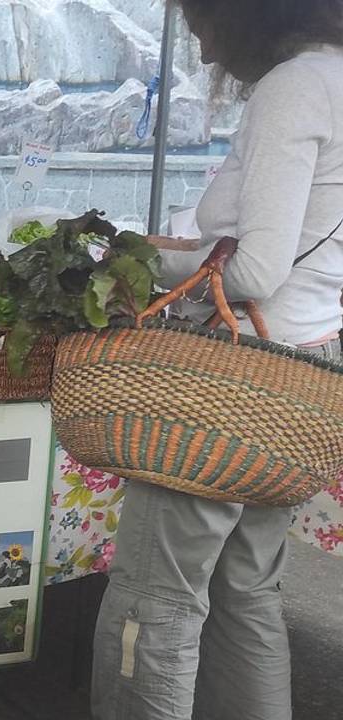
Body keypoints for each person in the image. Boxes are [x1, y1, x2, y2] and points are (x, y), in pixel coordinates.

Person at [91, 1, 343, 718]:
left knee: (156, 596)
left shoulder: (295, 86)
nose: (202, 50)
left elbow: (255, 270)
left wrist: (149, 266)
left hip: (232, 384)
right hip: (306, 372)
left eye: (200, 25)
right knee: (247, 592)